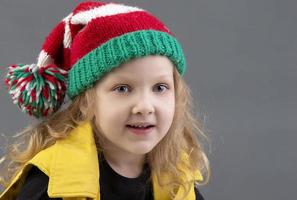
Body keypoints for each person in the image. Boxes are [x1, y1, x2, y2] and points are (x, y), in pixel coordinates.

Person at [0, 1, 210, 200]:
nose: (145, 106)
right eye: (122, 89)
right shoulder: (49, 187)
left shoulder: (179, 181)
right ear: (86, 101)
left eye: (160, 87)